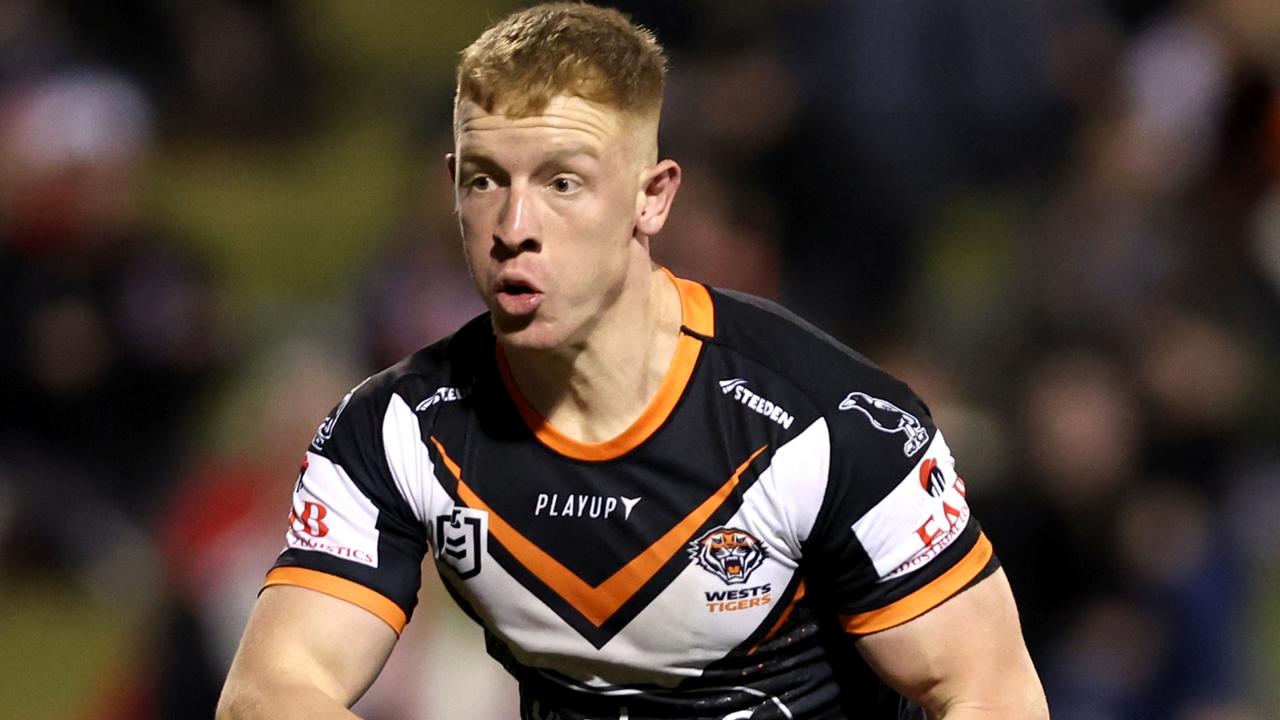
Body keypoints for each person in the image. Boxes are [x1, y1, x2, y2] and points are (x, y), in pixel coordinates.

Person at [216, 4, 1049, 719]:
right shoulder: (395, 431)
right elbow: (273, 687)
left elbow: (991, 691)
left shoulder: (825, 425)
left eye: (562, 183)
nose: (514, 225)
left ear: (653, 197)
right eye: (483, 181)